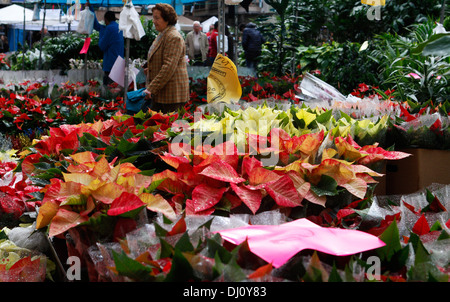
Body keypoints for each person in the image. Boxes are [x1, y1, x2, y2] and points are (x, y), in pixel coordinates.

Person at [143, 3, 189, 113]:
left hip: (171, 95)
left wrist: (151, 89)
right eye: (153, 17)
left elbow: (168, 66)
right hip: (162, 93)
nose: (154, 21)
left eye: (157, 18)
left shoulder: (173, 37)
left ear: (167, 19)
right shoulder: (162, 35)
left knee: (171, 128)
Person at [87, 1, 124, 85]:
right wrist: (90, 8)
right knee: (117, 90)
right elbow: (97, 25)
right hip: (118, 64)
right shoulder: (119, 27)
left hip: (110, 65)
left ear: (106, 19)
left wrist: (101, 36)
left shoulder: (109, 29)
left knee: (109, 90)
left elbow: (102, 46)